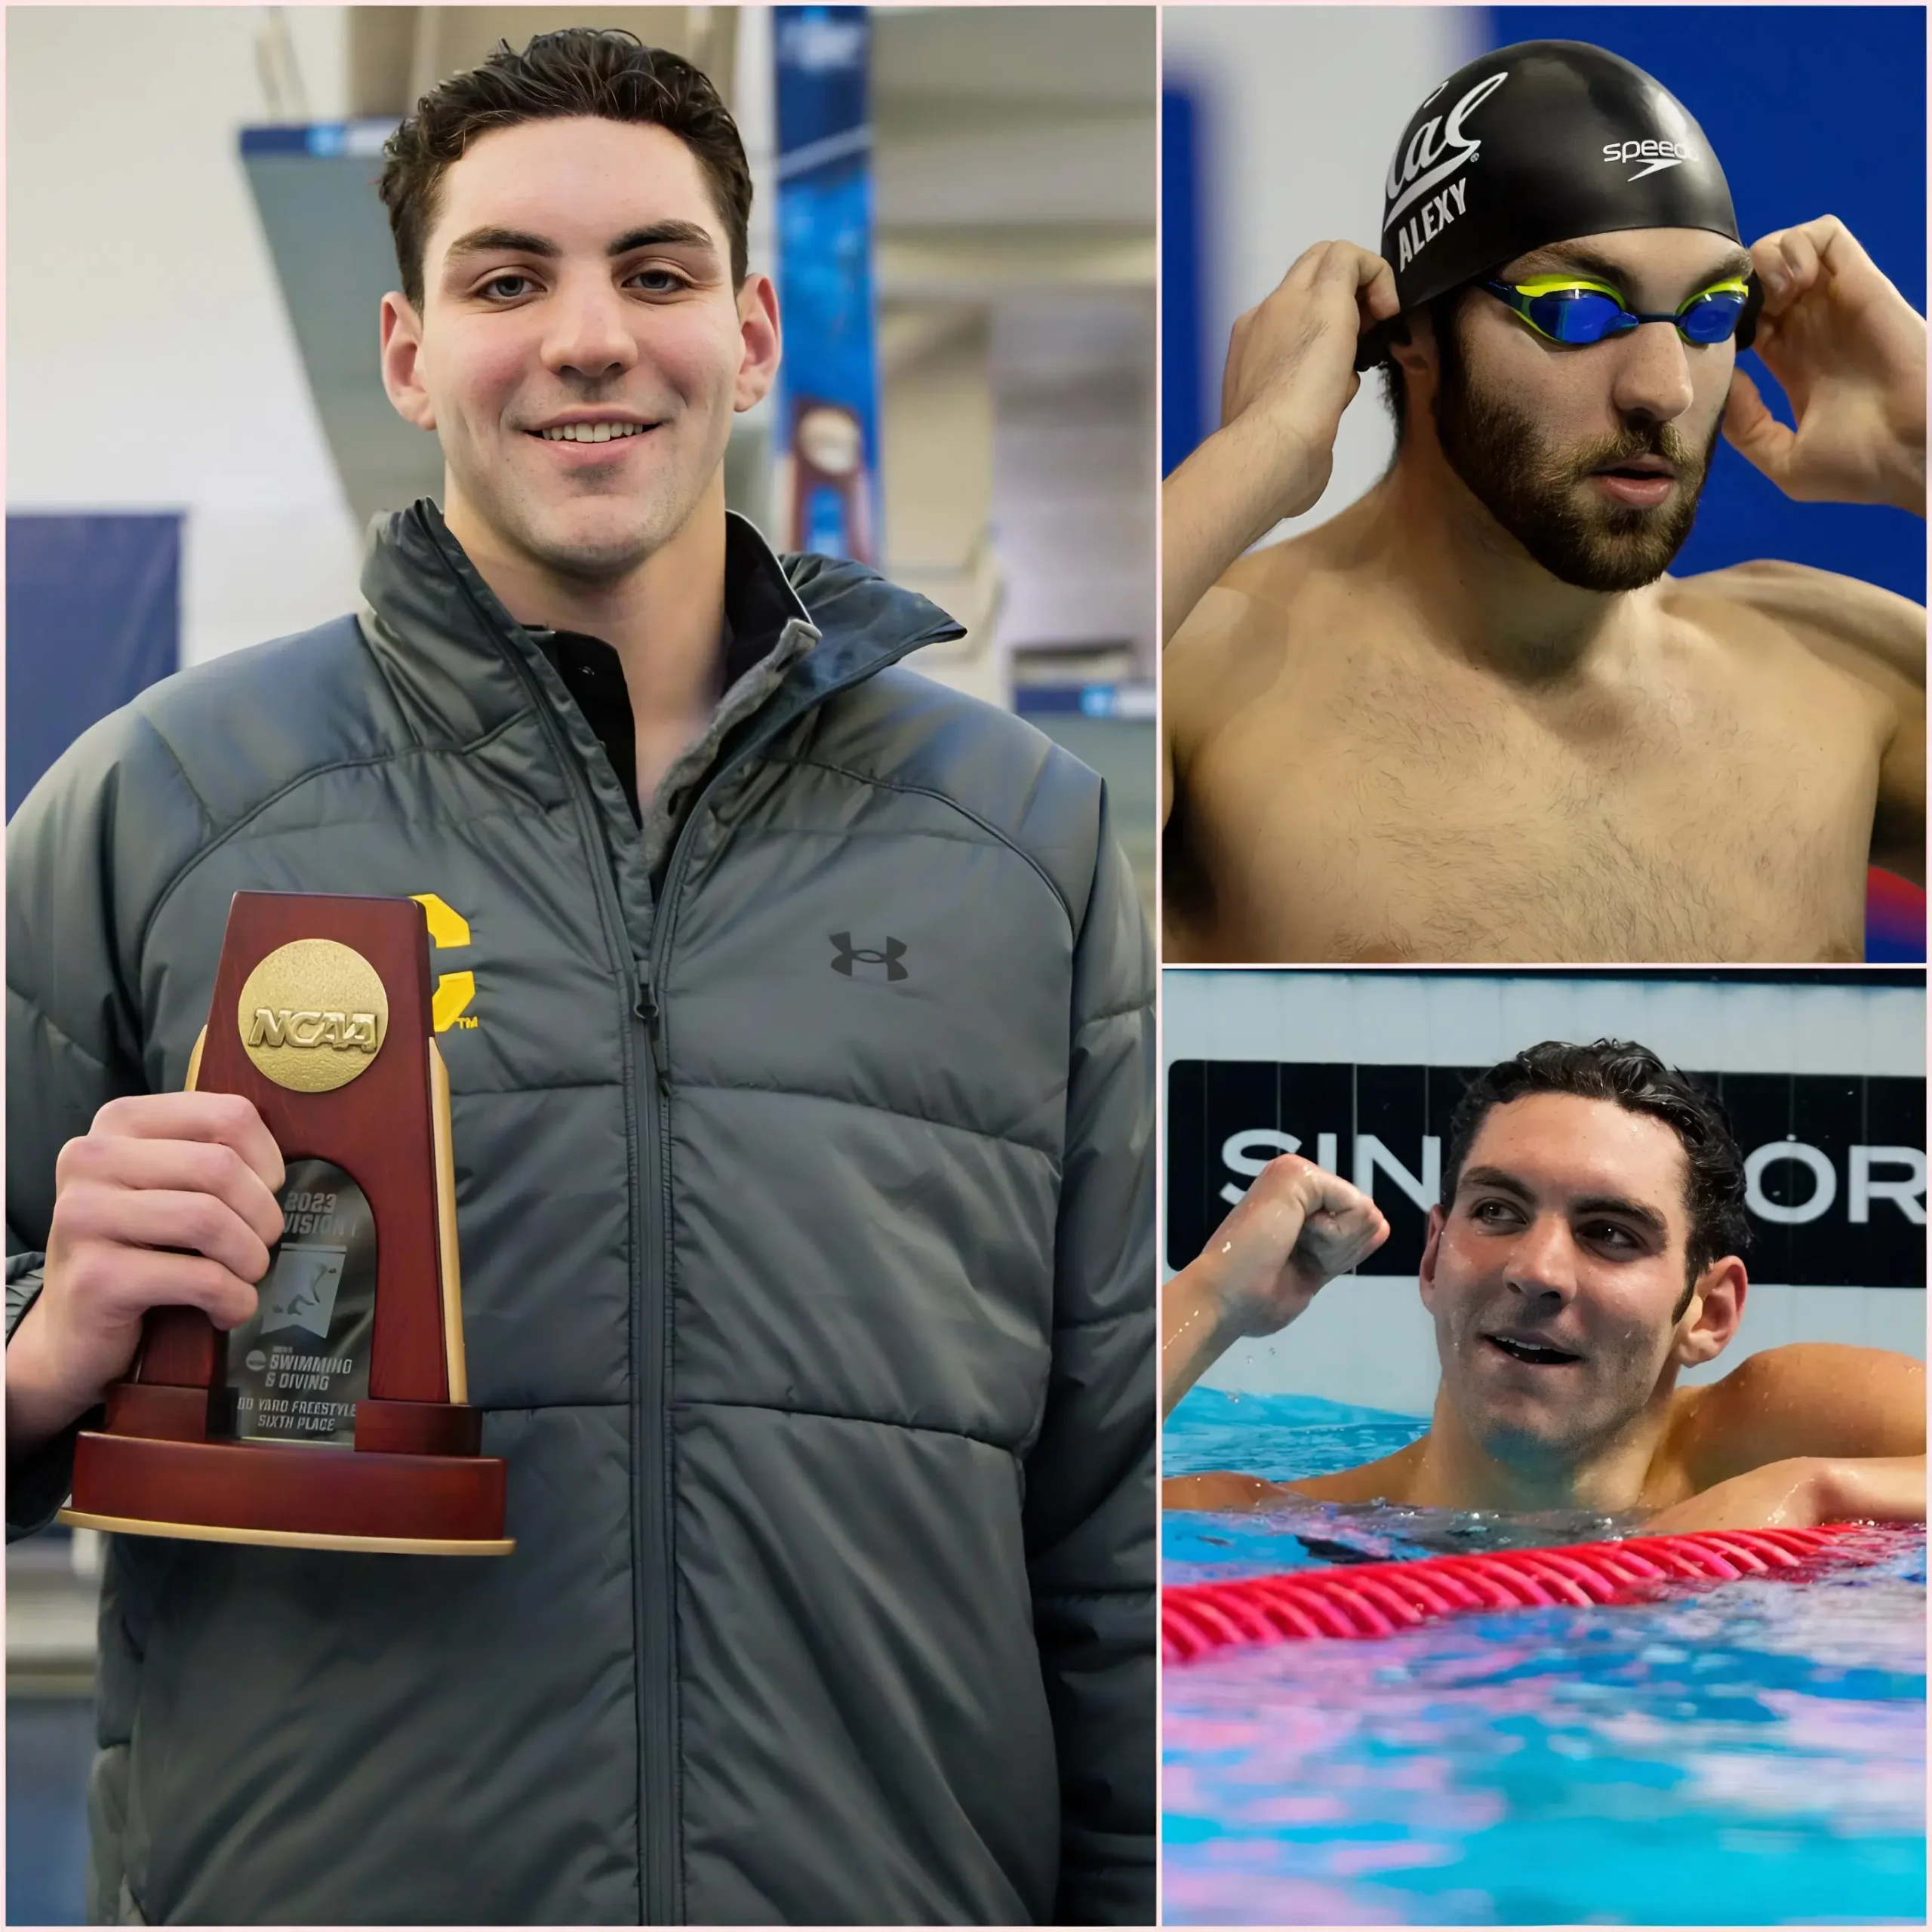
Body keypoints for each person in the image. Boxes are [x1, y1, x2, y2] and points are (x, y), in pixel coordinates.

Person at [5, 32, 1154, 1927]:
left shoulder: (1015, 845)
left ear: (753, 329)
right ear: (406, 350)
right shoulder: (162, 802)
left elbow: (1116, 1500)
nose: (589, 338)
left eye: (655, 270)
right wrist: (42, 1357)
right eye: (507, 279)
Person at [1163, 40, 1926, 964]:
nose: (1663, 389)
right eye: (1576, 309)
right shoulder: (1203, 678)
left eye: (1709, 315)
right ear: (1413, 333)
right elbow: (993, 841)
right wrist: (1261, 451)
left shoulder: (1849, 680)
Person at [1161, 1039, 1926, 1533]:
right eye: (1496, 1211)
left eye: (1610, 1234)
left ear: (1708, 1311)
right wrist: (1210, 1301)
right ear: (1432, 1260)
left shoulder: (1774, 1427)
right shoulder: (1260, 1524)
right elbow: (1049, 1526)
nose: (1535, 1271)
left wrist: (1815, 1490)